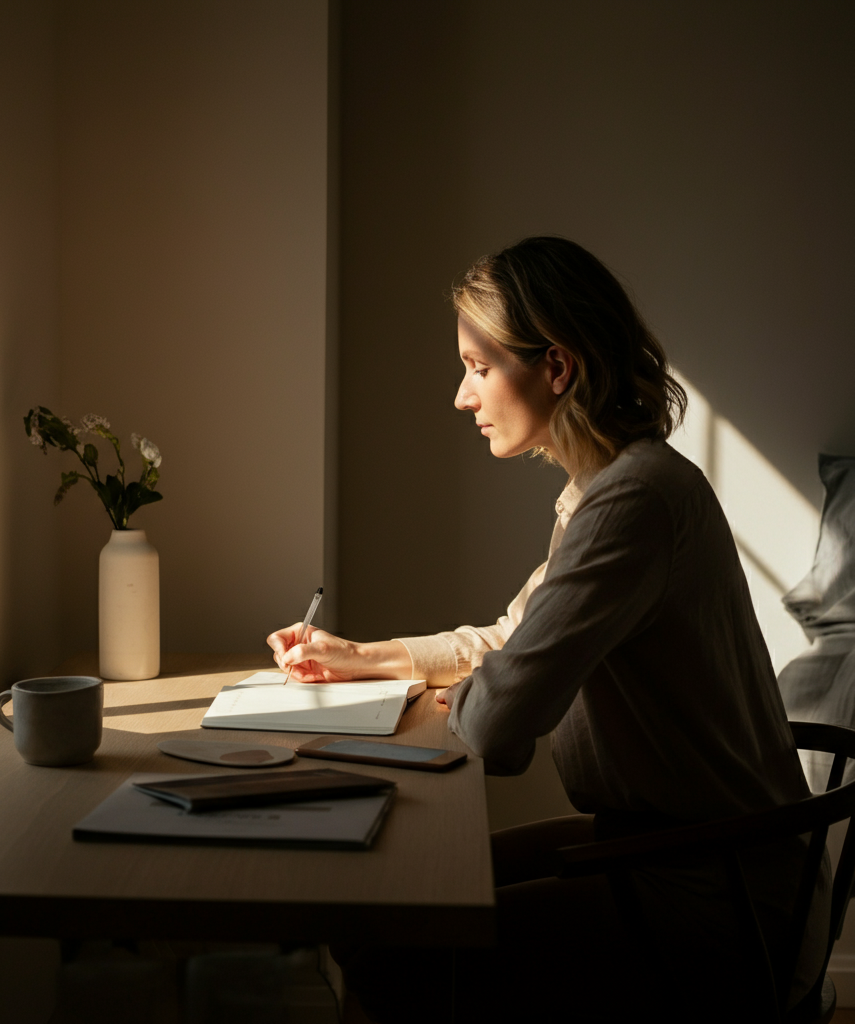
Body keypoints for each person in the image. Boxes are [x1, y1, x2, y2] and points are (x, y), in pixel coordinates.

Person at [267, 237, 829, 1022]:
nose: (463, 396)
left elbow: (499, 726)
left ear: (557, 368)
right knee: (380, 916)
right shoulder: (606, 488)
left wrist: (473, 694)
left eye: (478, 366)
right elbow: (509, 642)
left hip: (716, 895)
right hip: (665, 847)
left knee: (396, 948)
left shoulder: (633, 505)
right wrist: (361, 657)